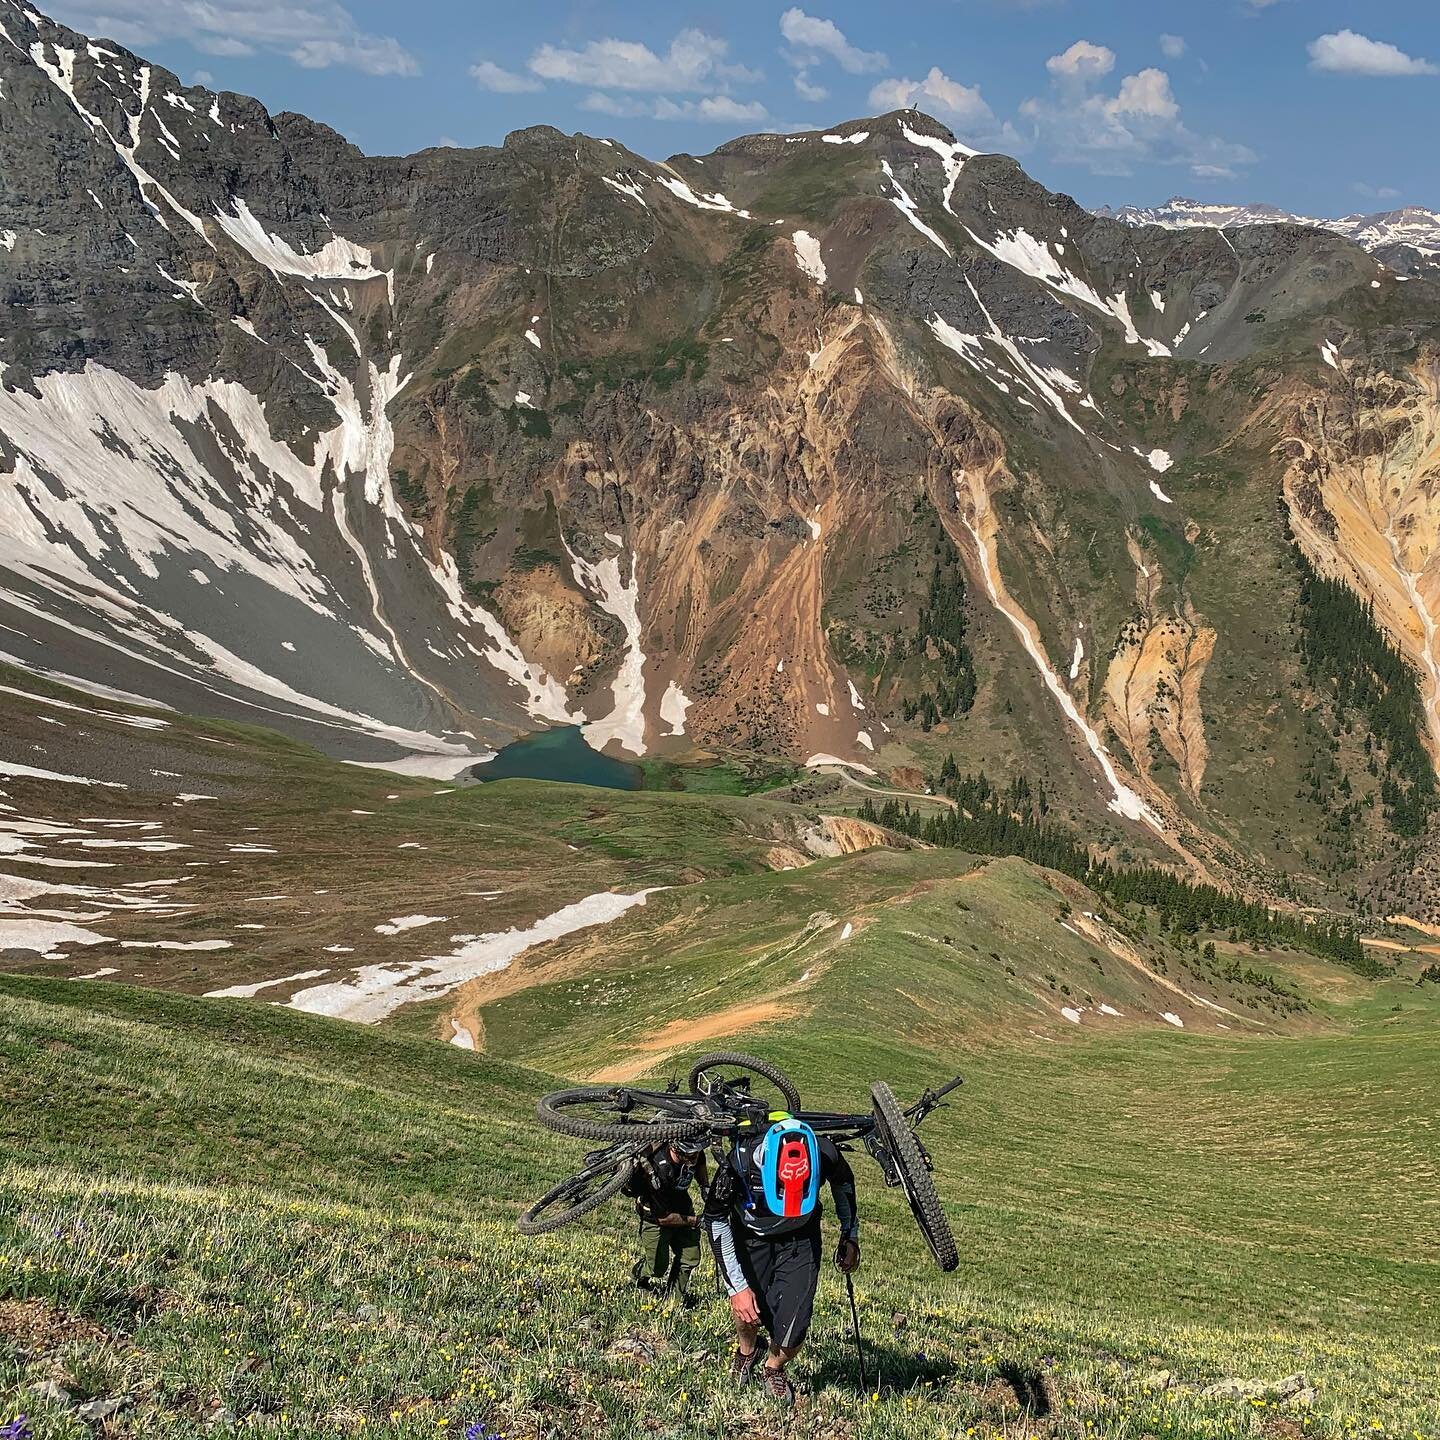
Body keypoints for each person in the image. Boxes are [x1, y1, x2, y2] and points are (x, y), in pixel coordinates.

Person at [705, 1112, 860, 1404]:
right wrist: (736, 1287)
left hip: (801, 1237)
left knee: (796, 1318)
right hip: (751, 1236)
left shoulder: (824, 1151)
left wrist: (849, 1234)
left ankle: (773, 1368)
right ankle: (747, 1351)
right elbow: (715, 1219)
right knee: (749, 1309)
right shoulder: (738, 1164)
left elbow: (844, 1184)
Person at [626, 1137, 710, 1304]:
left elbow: (700, 1162)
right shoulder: (658, 1171)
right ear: (676, 1149)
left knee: (690, 1257)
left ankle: (673, 1300)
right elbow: (663, 1218)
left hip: (682, 1207)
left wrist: (704, 1186)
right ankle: (639, 1275)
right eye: (690, 1154)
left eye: (697, 1152)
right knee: (657, 1267)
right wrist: (698, 1221)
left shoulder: (694, 1152)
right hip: (656, 1218)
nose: (694, 1157)